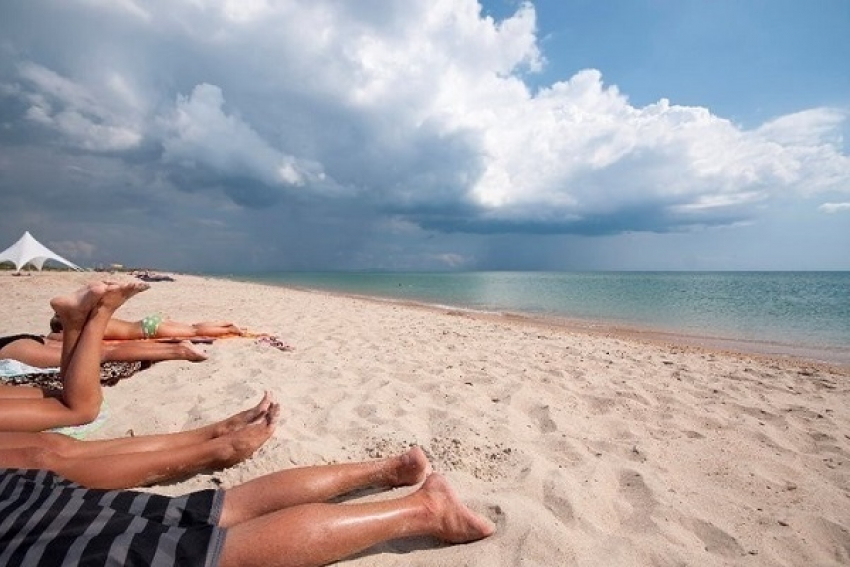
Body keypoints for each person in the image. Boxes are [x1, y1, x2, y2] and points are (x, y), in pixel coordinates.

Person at [0, 446, 495, 566]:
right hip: (19, 490)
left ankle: (423, 510)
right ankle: (388, 470)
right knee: (212, 509)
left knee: (212, 553)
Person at [0, 280, 175, 431]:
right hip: (17, 343)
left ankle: (91, 316)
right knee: (75, 400)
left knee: (80, 404)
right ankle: (78, 319)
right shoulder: (49, 337)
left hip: (15, 346)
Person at [50, 313, 243, 340]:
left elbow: (56, 338)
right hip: (148, 322)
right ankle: (224, 323)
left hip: (149, 330)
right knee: (192, 327)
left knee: (194, 331)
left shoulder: (88, 331)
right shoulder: (93, 321)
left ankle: (228, 329)